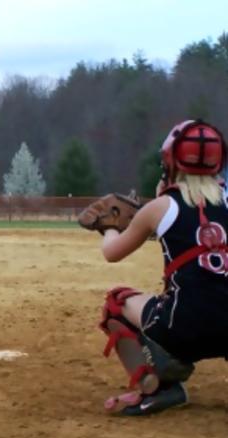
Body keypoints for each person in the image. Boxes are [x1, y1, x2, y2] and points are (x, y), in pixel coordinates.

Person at [95, 119, 228, 416]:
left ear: (169, 161)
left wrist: (110, 227)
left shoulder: (162, 206)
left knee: (116, 304)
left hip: (184, 328)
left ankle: (156, 387)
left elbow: (111, 253)